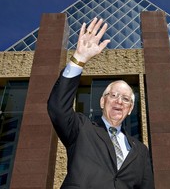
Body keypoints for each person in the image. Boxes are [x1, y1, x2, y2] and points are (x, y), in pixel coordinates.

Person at [47, 17, 155, 189]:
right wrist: (79, 58)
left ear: (130, 109)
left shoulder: (141, 151)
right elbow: (57, 108)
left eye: (126, 99)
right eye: (113, 95)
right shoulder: (81, 128)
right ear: (102, 101)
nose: (119, 101)